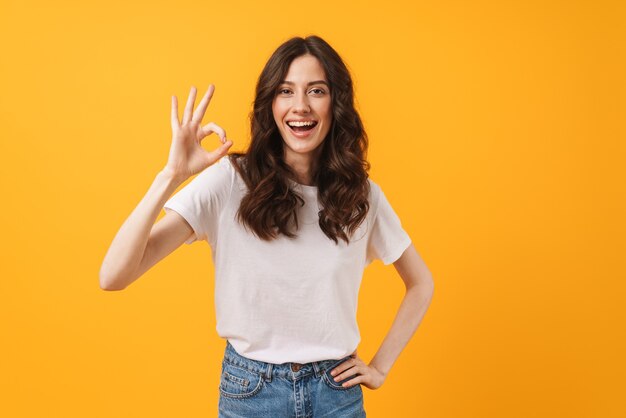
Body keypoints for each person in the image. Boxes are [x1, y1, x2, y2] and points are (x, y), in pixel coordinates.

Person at [100, 35, 434, 417]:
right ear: (270, 104)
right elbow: (113, 276)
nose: (301, 106)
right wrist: (171, 176)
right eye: (285, 91)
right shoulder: (230, 182)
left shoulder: (361, 196)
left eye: (317, 91)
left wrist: (380, 367)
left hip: (335, 396)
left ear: (335, 103)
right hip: (251, 394)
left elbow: (421, 283)